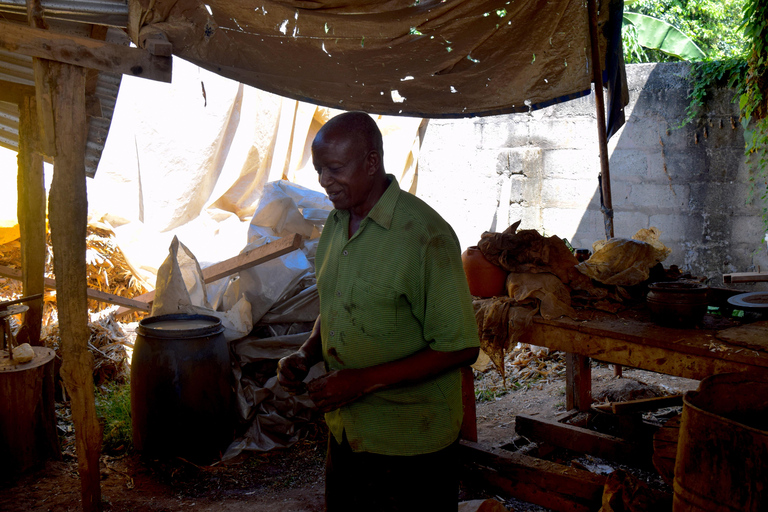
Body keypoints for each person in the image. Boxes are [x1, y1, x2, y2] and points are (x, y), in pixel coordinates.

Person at [277, 111, 480, 512]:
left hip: (411, 445)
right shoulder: (336, 223)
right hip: (348, 434)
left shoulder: (425, 236)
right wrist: (307, 352)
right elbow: (338, 304)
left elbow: (460, 348)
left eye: (335, 169)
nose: (324, 181)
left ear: (372, 162)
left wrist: (362, 382)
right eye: (319, 170)